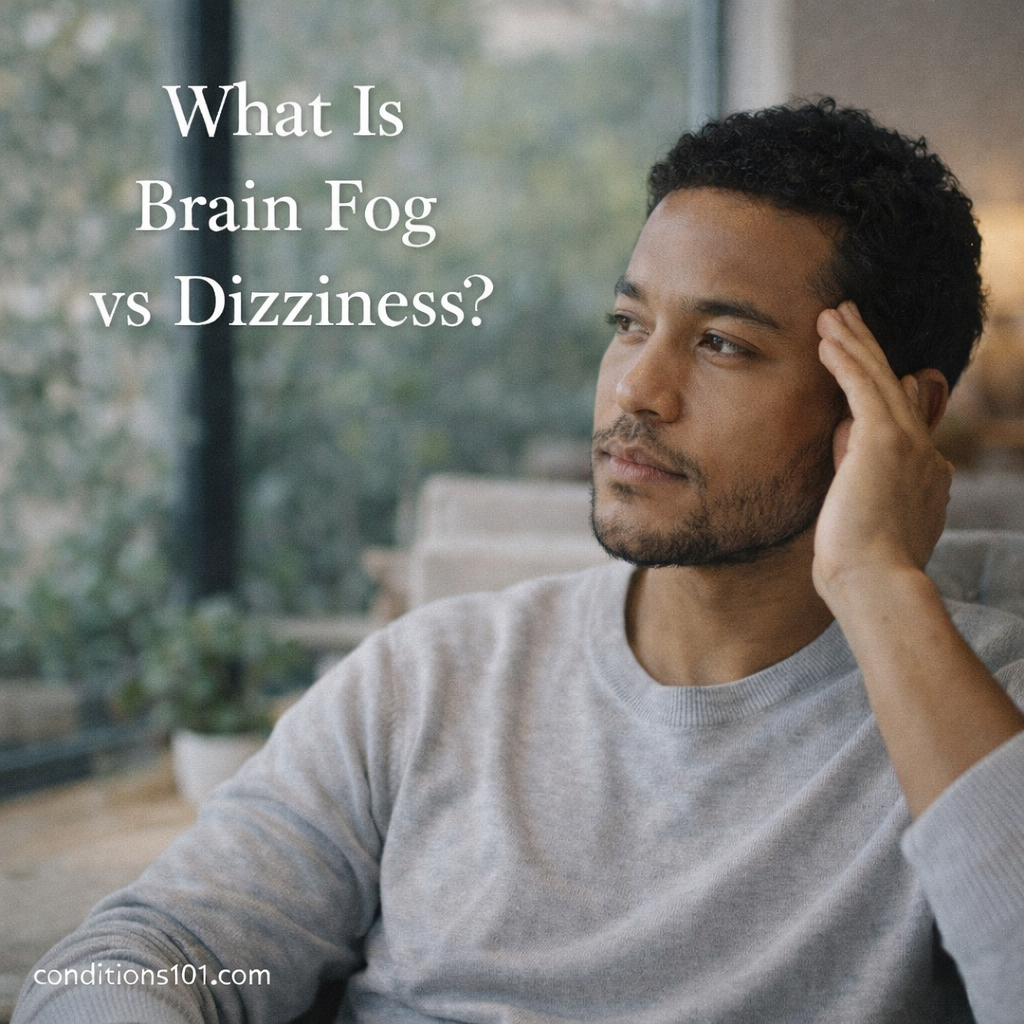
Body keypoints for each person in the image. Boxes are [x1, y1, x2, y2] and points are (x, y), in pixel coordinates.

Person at [13, 98, 1024, 1024]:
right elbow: (155, 948)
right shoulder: (429, 678)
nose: (636, 388)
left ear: (898, 411)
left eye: (721, 343)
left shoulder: (979, 710)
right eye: (628, 324)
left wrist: (876, 583)